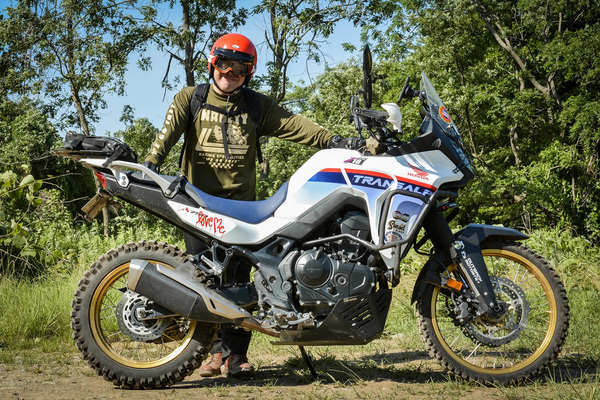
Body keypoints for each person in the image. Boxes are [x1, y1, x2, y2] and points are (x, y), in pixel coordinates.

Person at [143, 33, 362, 379]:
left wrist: (334, 141)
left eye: (240, 68)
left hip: (241, 209)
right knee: (203, 279)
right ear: (212, 63)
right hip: (196, 205)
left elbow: (294, 124)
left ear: (250, 72)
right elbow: (165, 137)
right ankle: (213, 354)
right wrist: (150, 166)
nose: (230, 73)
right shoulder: (192, 98)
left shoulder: (256, 106)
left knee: (240, 281)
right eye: (224, 64)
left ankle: (236, 356)